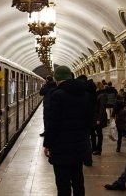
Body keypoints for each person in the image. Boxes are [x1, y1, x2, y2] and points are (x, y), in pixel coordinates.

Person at [44, 66, 91, 196]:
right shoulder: (84, 94)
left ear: (57, 78)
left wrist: (47, 144)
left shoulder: (57, 95)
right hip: (79, 145)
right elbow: (88, 120)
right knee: (78, 181)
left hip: (61, 147)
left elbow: (52, 123)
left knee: (63, 183)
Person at [91, 82, 108, 155]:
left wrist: (99, 119)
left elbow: (102, 108)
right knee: (93, 132)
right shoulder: (97, 94)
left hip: (99, 117)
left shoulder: (103, 95)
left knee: (99, 133)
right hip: (94, 117)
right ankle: (94, 148)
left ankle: (99, 149)